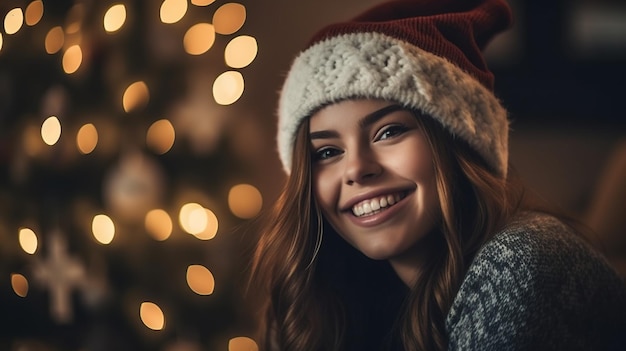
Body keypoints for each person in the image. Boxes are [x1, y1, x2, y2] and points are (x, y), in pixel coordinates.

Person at [248, 0, 626, 350]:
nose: (357, 169)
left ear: (458, 141)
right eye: (327, 152)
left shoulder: (519, 265)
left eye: (389, 131)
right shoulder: (356, 300)